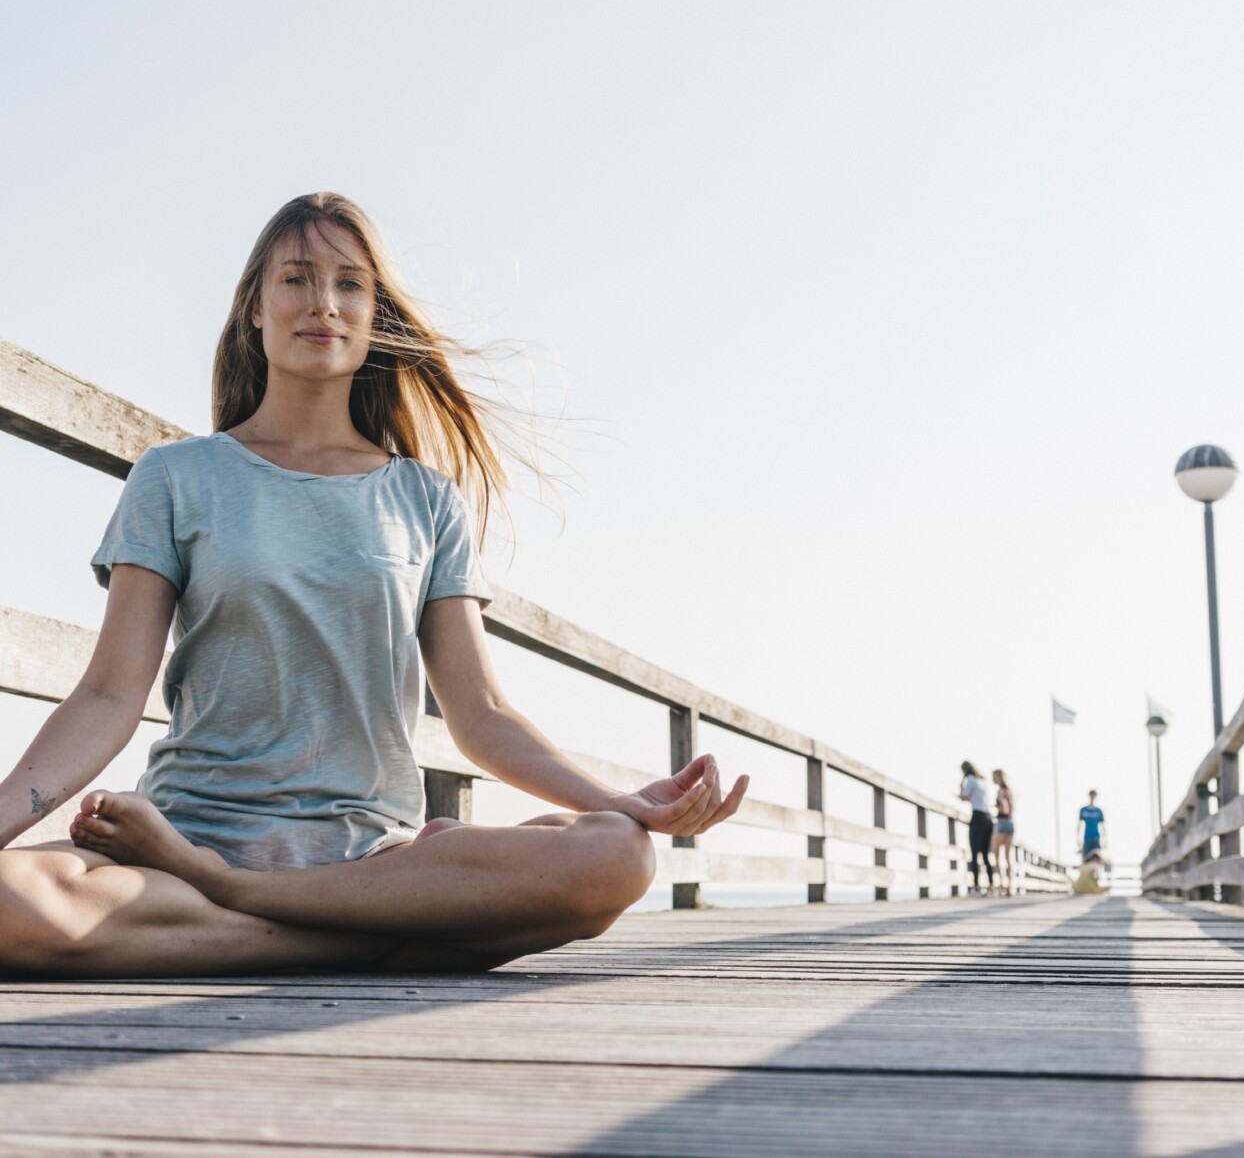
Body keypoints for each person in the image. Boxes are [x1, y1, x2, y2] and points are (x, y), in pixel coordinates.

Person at [0, 192, 749, 978]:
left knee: (617, 856)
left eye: (350, 284)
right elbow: (109, 696)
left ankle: (234, 898)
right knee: (12, 904)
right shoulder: (177, 477)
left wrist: (618, 801)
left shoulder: (425, 499)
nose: (323, 302)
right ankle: (370, 934)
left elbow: (481, 713)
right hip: (185, 840)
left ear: (374, 316)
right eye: (296, 278)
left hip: (371, 859)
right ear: (255, 309)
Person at [958, 761, 993, 897]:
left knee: (974, 854)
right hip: (988, 818)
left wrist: (961, 786)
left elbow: (964, 796)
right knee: (985, 855)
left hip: (978, 816)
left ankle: (976, 887)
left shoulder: (971, 779)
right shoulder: (982, 781)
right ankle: (990, 887)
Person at [991, 768, 1014, 897]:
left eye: (994, 777)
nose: (993, 779)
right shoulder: (1010, 792)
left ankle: (1000, 885)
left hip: (1001, 822)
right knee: (1007, 857)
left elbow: (1004, 808)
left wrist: (996, 807)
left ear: (999, 777)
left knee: (995, 854)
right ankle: (1009, 886)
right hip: (1010, 823)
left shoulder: (1000, 791)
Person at [1077, 790, 1106, 859]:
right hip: (1087, 837)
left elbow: (1103, 826)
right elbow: (1079, 825)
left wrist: (1105, 841)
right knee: (1085, 858)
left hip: (1096, 837)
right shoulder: (1083, 810)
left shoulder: (1098, 811)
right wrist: (1078, 839)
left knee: (1097, 859)